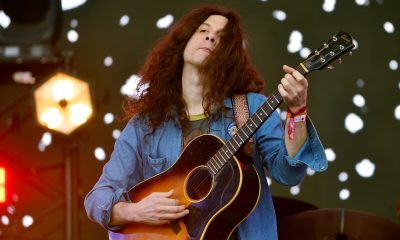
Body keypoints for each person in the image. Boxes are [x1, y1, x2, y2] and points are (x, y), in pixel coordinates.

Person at [84, 4, 328, 240]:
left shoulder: (251, 108)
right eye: (203, 30)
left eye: (220, 37)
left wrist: (297, 110)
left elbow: (288, 174)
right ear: (183, 44)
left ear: (229, 55)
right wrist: (134, 211)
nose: (211, 38)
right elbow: (97, 198)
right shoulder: (145, 124)